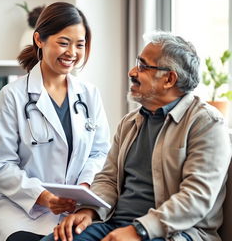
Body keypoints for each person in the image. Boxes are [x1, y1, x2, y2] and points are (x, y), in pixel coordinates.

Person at [41, 32, 231, 241]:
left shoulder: (206, 124)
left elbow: (196, 199)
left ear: (169, 79)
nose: (132, 72)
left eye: (143, 66)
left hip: (176, 233)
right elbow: (109, 179)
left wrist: (139, 230)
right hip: (114, 224)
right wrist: (89, 211)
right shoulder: (130, 122)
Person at [0, 2, 110, 241]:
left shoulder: (89, 94)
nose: (72, 52)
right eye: (63, 42)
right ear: (39, 40)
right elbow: (1, 165)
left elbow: (100, 152)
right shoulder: (12, 96)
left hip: (74, 210)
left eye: (79, 45)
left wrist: (85, 186)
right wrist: (44, 197)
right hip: (19, 210)